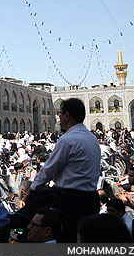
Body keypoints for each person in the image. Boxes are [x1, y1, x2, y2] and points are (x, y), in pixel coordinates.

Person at [30, 98, 101, 242]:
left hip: (71, 201)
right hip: (91, 199)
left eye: (60, 113)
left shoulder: (67, 140)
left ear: (67, 115)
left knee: (68, 240)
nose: (59, 117)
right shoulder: (92, 138)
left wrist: (32, 188)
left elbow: (49, 170)